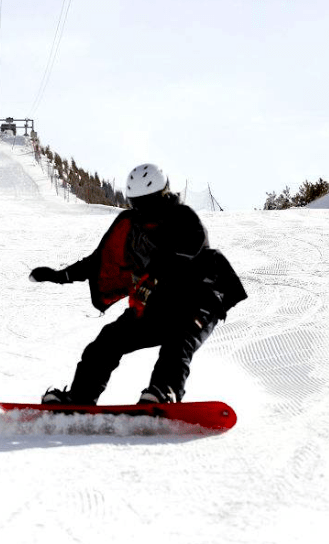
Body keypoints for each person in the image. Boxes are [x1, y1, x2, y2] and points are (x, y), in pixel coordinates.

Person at [30, 163, 247, 405]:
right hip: (159, 304)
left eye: (149, 202)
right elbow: (100, 261)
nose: (143, 210)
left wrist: (154, 274)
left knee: (179, 341)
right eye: (137, 203)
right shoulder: (131, 227)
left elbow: (188, 249)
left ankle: (163, 393)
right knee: (108, 341)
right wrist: (60, 276)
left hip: (198, 300)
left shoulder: (183, 218)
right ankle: (79, 397)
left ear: (163, 195)